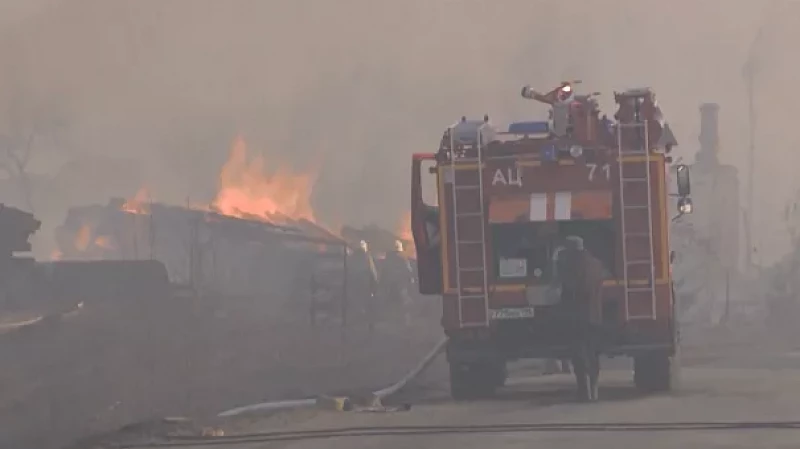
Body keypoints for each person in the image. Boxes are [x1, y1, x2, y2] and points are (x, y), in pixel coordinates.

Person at [555, 235, 606, 401]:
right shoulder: (596, 263)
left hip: (576, 316)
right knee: (592, 353)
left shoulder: (570, 265)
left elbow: (567, 286)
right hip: (595, 316)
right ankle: (594, 389)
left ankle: (584, 391)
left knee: (578, 354)